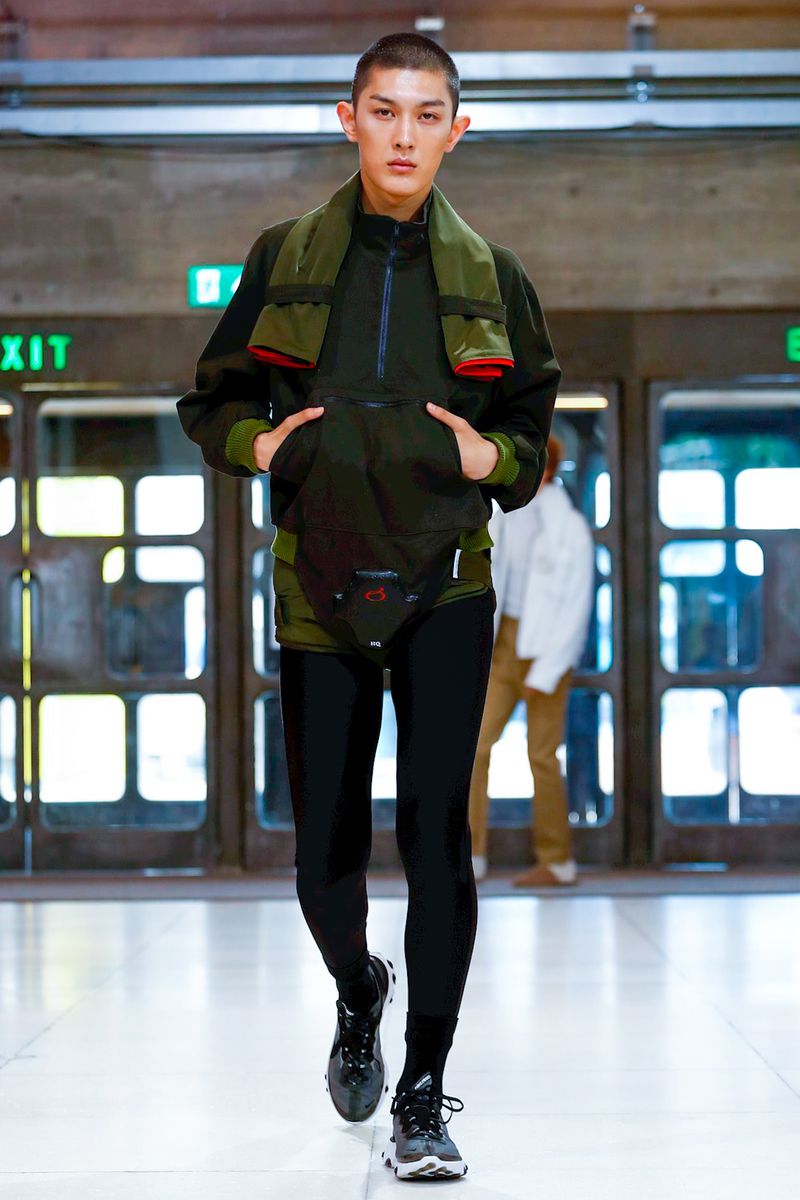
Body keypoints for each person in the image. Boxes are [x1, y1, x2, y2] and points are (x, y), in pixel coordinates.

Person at [177, 31, 560, 1182]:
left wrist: (494, 462)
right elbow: (211, 404)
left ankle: (422, 1096)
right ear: (348, 120)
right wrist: (260, 444)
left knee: (437, 841)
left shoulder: (495, 276)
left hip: (447, 582)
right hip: (318, 588)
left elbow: (530, 433)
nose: (402, 135)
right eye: (382, 112)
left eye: (424, 115)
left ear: (456, 130)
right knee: (321, 860)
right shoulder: (282, 255)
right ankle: (358, 989)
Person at [468, 434, 595, 888]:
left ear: (548, 470)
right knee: (475, 747)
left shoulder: (570, 527)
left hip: (547, 651)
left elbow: (576, 607)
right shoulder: (503, 514)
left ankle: (557, 861)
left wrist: (547, 670)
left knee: (542, 755)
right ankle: (470, 856)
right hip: (505, 644)